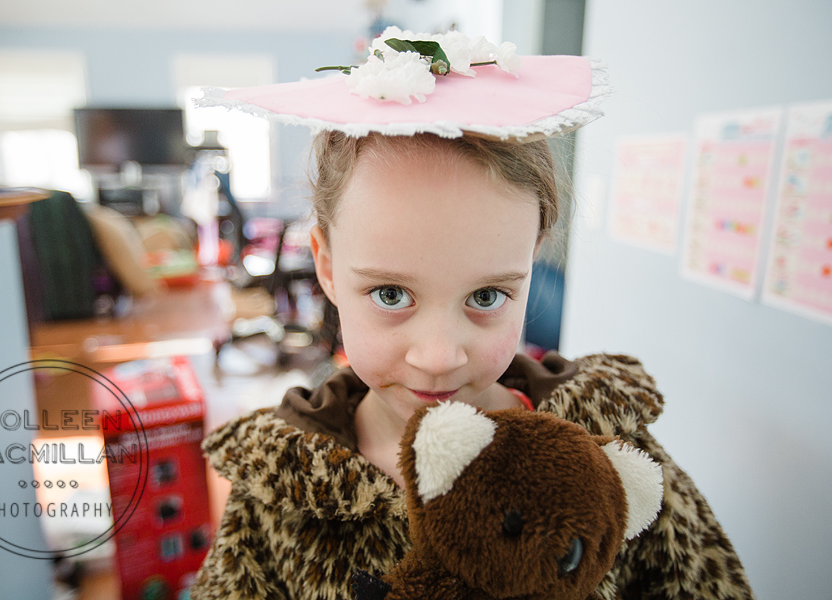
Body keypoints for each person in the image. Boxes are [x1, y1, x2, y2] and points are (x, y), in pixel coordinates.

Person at [191, 29, 754, 600]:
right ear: (328, 268)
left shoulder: (613, 453)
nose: (439, 358)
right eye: (390, 294)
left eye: (486, 297)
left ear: (531, 261)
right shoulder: (280, 491)